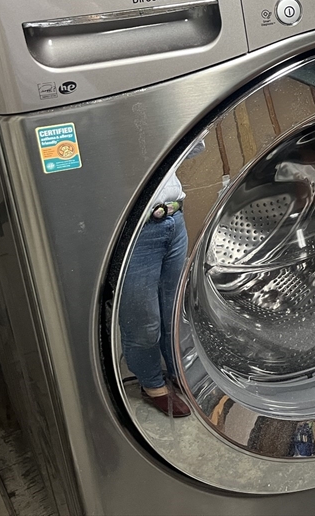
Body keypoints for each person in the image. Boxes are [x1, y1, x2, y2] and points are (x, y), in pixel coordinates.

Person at [118, 138, 205, 418]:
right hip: (134, 230)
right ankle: (152, 384)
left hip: (173, 219)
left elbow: (192, 146)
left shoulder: (145, 115)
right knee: (142, 320)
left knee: (174, 310)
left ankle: (179, 371)